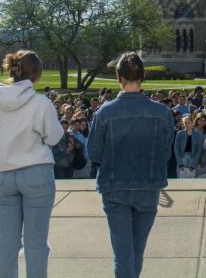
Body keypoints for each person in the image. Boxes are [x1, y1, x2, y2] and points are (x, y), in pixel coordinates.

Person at [87, 51, 175, 278]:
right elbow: (165, 153)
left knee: (124, 254)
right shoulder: (162, 113)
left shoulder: (104, 113)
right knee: (135, 252)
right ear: (143, 76)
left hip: (115, 188)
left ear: (118, 76)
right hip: (148, 187)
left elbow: (94, 153)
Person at [0, 50, 63, 278]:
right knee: (36, 245)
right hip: (36, 173)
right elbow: (54, 137)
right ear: (36, 75)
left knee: (6, 245)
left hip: (3, 175)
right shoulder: (40, 102)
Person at [173, 114, 203, 179]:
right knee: (181, 182)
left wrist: (194, 164)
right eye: (185, 123)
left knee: (191, 183)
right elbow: (176, 148)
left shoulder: (198, 135)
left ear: (192, 123)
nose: (187, 124)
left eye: (188, 122)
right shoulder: (179, 134)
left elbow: (199, 151)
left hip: (192, 159)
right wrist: (180, 163)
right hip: (181, 158)